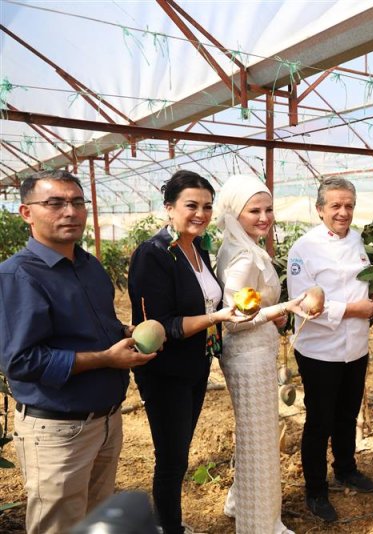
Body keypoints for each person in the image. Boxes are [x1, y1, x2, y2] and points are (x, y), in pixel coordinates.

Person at [0, 170, 155, 534]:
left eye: (76, 202)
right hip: (58, 430)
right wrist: (106, 359)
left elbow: (92, 328)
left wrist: (125, 333)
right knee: (60, 525)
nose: (69, 211)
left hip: (104, 422)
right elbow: (20, 361)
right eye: (54, 203)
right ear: (26, 213)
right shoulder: (18, 276)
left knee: (95, 520)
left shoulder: (88, 266)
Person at [127, 170, 253, 534]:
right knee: (171, 459)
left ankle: (169, 524)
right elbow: (161, 324)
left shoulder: (197, 247)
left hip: (195, 367)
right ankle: (169, 528)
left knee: (178, 455)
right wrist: (218, 316)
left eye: (207, 206)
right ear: (169, 208)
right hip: (165, 372)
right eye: (191, 205)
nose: (200, 213)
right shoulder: (153, 254)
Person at [214, 174, 313, 534]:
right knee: (260, 443)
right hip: (249, 356)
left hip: (253, 352)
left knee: (253, 436)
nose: (264, 216)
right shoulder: (243, 256)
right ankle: (259, 525)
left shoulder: (241, 246)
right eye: (253, 210)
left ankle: (240, 502)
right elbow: (236, 320)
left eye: (268, 208)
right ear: (233, 213)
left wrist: (271, 312)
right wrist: (285, 306)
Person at [287, 177, 373, 522]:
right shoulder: (303, 249)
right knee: (319, 420)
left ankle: (346, 469)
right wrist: (353, 309)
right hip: (319, 350)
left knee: (348, 413)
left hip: (355, 346)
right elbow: (303, 304)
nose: (343, 212)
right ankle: (315, 490)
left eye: (349, 206)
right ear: (320, 210)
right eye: (335, 206)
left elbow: (363, 285)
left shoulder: (358, 240)